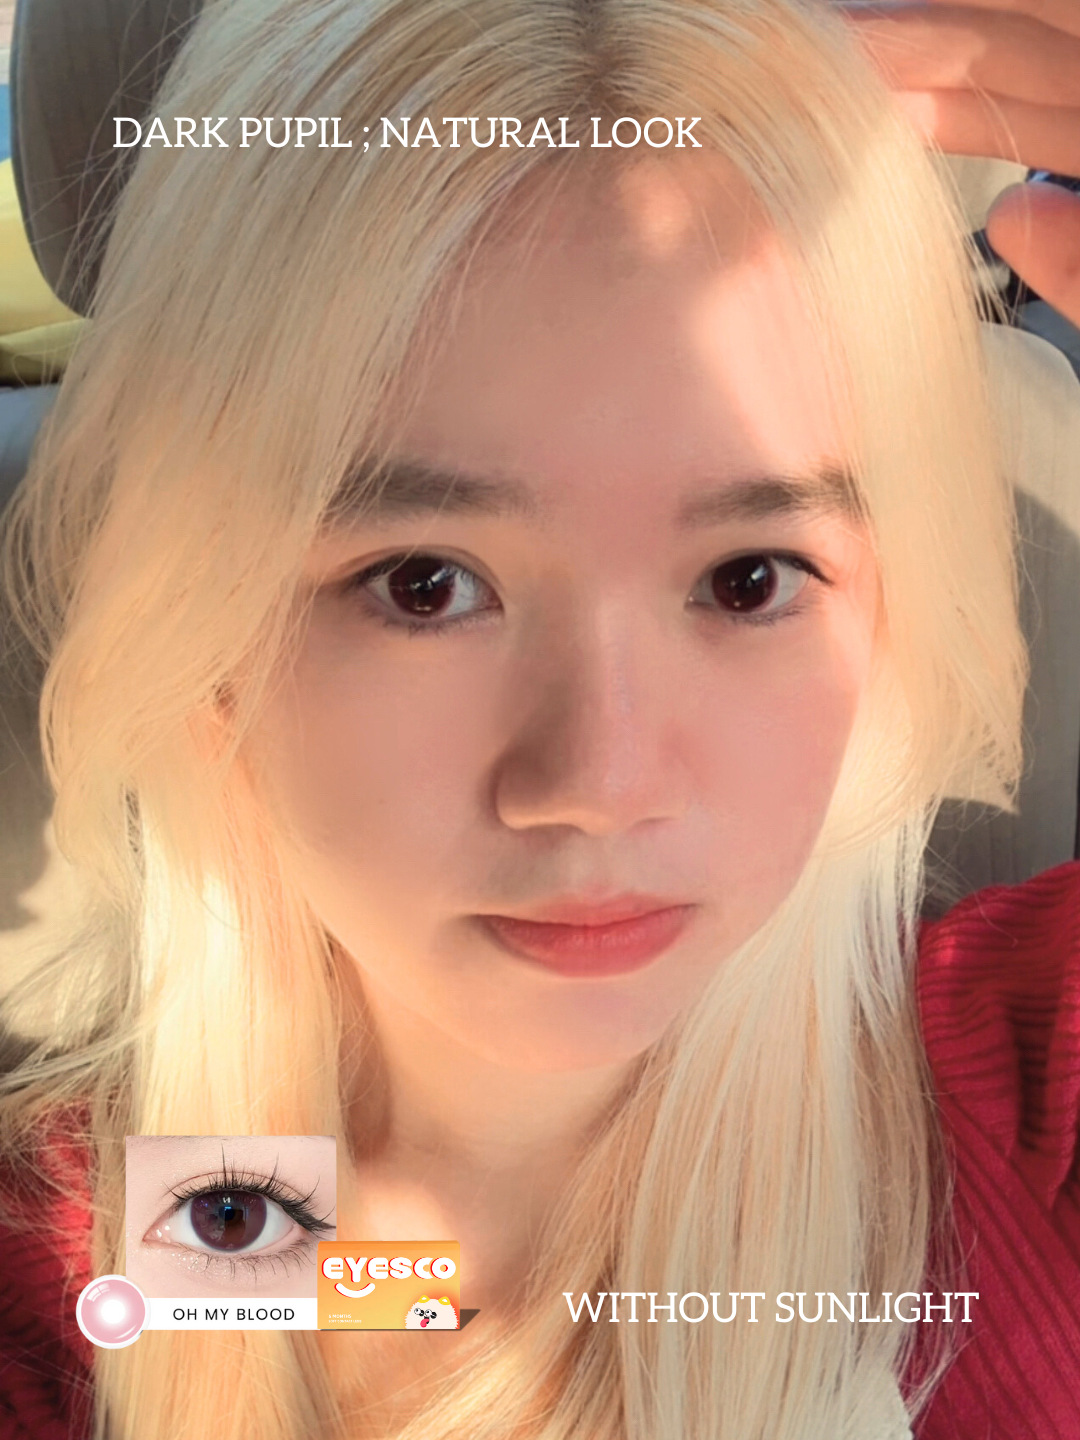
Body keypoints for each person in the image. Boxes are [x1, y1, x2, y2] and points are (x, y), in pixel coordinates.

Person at [0, 1, 1078, 1438]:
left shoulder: (1034, 1077)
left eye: (749, 580)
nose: (600, 783)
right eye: (423, 584)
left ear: (892, 617)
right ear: (205, 632)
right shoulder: (67, 1287)